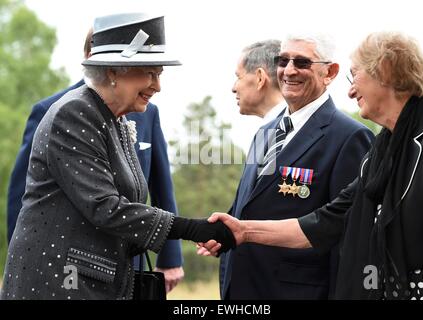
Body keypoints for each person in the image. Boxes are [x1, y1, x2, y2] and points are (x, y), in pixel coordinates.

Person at [0, 13, 235, 300]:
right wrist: (193, 228)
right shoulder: (75, 112)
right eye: (149, 73)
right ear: (113, 71)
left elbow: (133, 200)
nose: (157, 85)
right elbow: (105, 207)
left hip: (93, 280)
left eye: (159, 73)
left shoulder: (114, 118)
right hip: (58, 282)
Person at [202, 31, 423, 300]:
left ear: (384, 72)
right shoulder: (383, 150)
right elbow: (327, 221)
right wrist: (244, 231)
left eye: (355, 76)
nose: (350, 90)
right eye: (283, 61)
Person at [6, 29, 184, 293]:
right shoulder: (57, 110)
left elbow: (161, 185)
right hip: (67, 268)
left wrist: (171, 257)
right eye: (148, 72)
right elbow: (24, 197)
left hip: (128, 259)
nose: (155, 85)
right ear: (96, 58)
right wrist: (25, 264)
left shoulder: (146, 112)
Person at [214, 33, 374, 300]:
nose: (289, 70)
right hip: (243, 289)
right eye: (283, 61)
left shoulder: (349, 137)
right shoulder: (265, 132)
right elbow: (249, 206)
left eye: (301, 62)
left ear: (330, 72)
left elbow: (347, 236)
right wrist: (218, 234)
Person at [232, 40, 285, 122]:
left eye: (239, 77)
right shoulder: (272, 129)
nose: (233, 89)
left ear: (260, 78)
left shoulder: (291, 129)